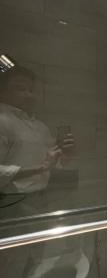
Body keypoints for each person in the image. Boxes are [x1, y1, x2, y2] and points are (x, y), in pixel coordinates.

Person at [0, 66, 75, 195]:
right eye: (20, 88)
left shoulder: (39, 126)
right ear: (2, 91)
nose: (28, 95)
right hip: (10, 199)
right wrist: (41, 168)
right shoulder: (2, 121)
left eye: (30, 90)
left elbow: (53, 163)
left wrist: (66, 156)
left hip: (42, 194)